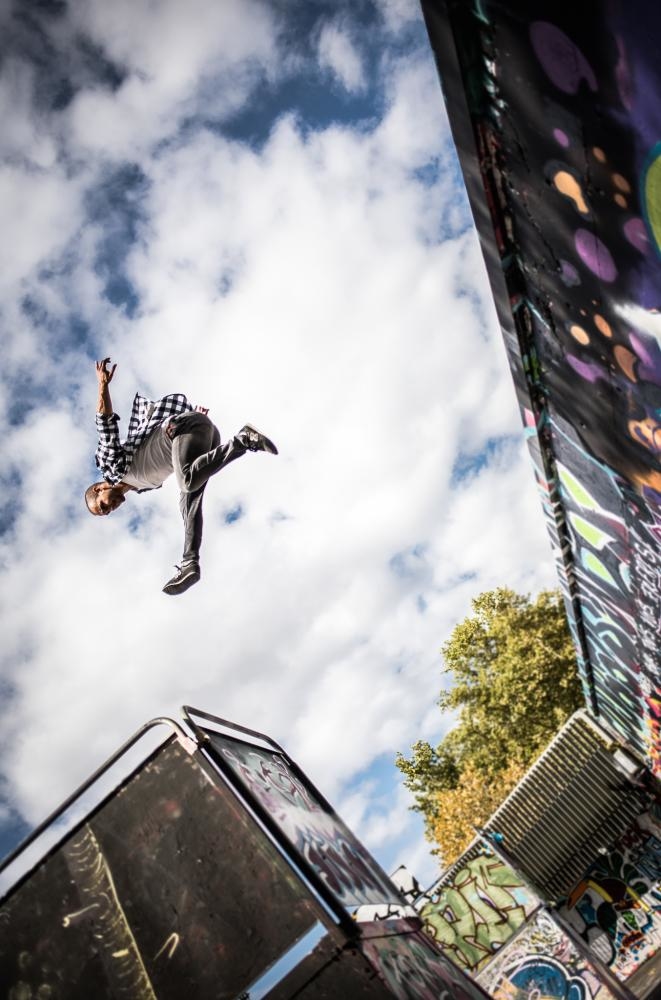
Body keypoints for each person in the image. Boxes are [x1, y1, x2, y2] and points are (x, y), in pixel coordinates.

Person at [85, 358, 277, 595]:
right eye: (107, 512)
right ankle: (189, 564)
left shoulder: (111, 467)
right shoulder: (142, 486)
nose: (111, 509)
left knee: (186, 482)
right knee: (188, 503)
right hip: (204, 437)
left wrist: (102, 385)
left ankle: (243, 440)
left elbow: (106, 428)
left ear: (99, 489)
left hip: (182, 428)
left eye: (103, 506)